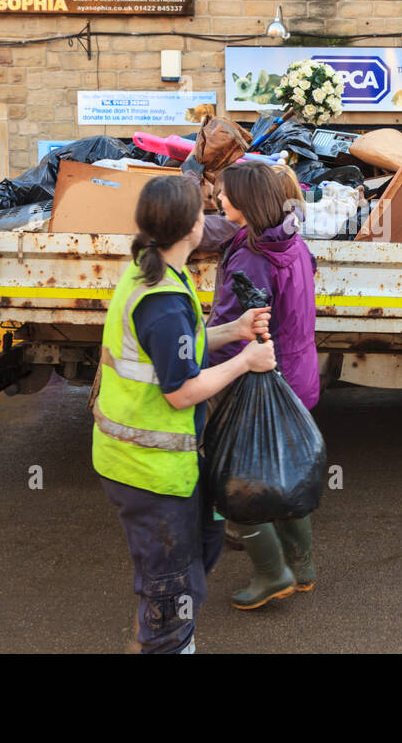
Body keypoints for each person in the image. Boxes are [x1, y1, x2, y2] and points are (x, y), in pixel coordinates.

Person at [95, 174, 276, 654]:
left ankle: (151, 639)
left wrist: (232, 329)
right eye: (203, 210)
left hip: (154, 462)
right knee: (173, 591)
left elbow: (179, 354)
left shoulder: (152, 273)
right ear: (192, 226)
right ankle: (162, 644)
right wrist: (245, 362)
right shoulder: (163, 300)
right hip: (149, 469)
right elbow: (181, 391)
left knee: (190, 561)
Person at [209, 162, 321, 610]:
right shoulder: (289, 241)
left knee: (238, 480)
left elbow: (235, 327)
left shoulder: (254, 258)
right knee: (283, 473)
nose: (218, 200)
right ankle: (303, 567)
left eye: (225, 194)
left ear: (246, 202)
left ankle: (272, 573)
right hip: (296, 374)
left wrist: (205, 372)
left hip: (258, 377)